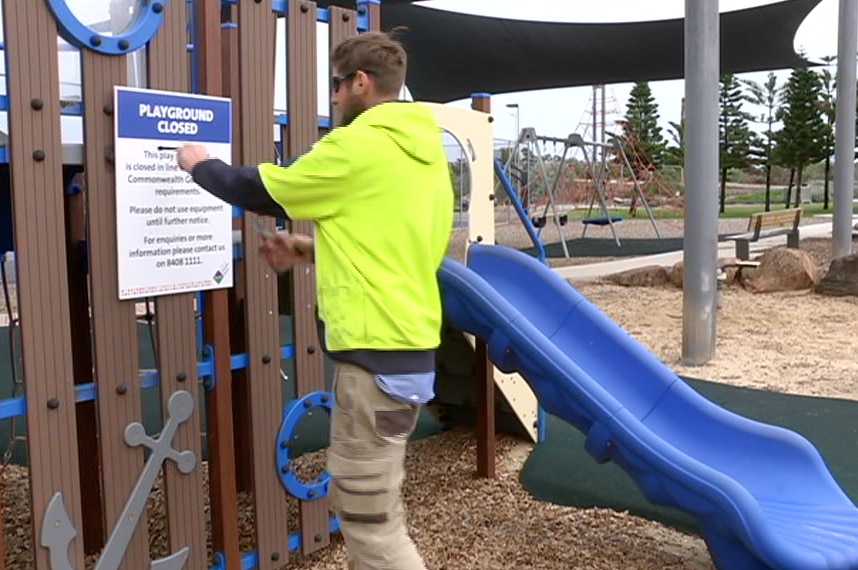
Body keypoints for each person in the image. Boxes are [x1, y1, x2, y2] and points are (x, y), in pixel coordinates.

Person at [176, 30, 453, 569]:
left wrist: (198, 164)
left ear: (361, 83)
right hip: (408, 351)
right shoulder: (424, 155)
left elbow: (258, 188)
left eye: (336, 85)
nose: (332, 97)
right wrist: (307, 249)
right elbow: (393, 242)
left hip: (375, 364)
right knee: (371, 510)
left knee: (372, 528)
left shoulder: (356, 146)